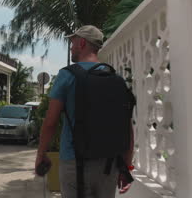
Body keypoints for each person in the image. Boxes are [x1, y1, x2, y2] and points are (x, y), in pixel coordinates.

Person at [35, 25, 134, 198]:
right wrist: (126, 165)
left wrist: (41, 154)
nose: (71, 47)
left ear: (81, 43)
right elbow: (126, 125)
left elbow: (50, 122)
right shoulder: (115, 79)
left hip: (74, 163)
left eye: (72, 43)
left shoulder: (67, 76)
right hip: (109, 165)